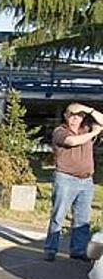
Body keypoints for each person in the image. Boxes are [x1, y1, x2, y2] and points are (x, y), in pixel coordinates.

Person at [43, 103, 103, 262]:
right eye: (71, 114)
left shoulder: (86, 128)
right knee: (58, 215)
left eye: (79, 115)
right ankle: (50, 249)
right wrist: (94, 133)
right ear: (65, 116)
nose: (75, 118)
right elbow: (71, 142)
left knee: (82, 219)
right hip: (65, 178)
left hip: (86, 180)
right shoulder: (60, 131)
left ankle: (78, 250)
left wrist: (88, 110)